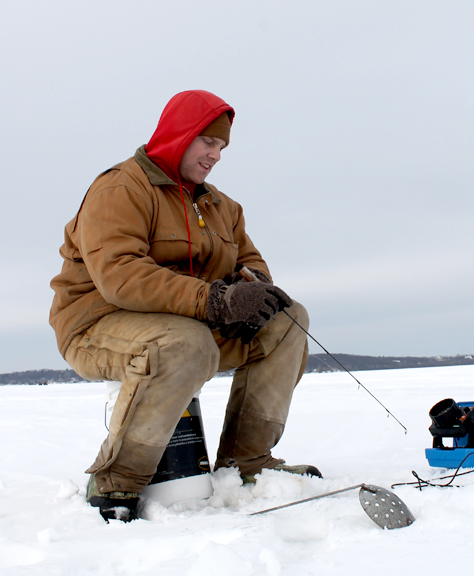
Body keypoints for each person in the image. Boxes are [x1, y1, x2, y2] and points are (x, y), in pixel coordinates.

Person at [49, 90, 320, 523]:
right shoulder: (121, 187)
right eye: (208, 142)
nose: (216, 155)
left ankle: (246, 464)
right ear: (180, 135)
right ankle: (116, 477)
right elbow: (120, 275)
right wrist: (215, 299)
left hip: (190, 324)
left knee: (287, 321)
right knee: (185, 343)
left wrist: (254, 289)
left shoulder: (222, 206)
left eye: (222, 147)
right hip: (98, 325)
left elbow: (250, 261)